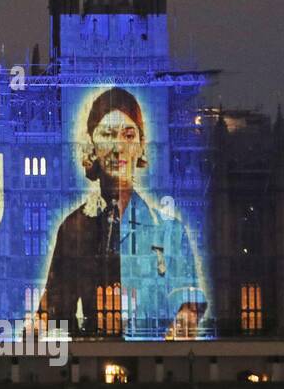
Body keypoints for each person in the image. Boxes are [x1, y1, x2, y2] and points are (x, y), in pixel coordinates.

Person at [37, 87, 208, 339]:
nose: (118, 148)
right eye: (107, 134)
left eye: (128, 135)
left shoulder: (169, 230)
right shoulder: (73, 227)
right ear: (91, 146)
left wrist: (179, 328)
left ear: (140, 146)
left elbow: (187, 302)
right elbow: (53, 307)